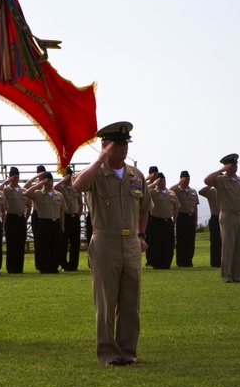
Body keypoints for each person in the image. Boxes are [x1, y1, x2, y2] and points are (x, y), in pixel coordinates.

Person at [73, 121, 152, 367]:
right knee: (106, 303)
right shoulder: (96, 173)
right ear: (106, 146)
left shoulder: (135, 175)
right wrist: (99, 160)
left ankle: (128, 352)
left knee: (131, 302)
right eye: (117, 144)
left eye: (125, 144)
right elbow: (78, 185)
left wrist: (140, 235)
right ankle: (108, 354)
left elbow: (144, 207)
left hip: (130, 243)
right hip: (105, 241)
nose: (123, 148)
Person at [204, 154, 240, 283]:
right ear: (227, 166)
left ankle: (238, 275)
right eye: (232, 165)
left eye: (236, 164)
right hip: (228, 215)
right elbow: (207, 180)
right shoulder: (220, 180)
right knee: (228, 247)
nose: (234, 167)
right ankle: (227, 276)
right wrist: (221, 170)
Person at [24, 172, 65, 274]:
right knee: (44, 246)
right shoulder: (39, 194)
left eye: (51, 181)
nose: (49, 183)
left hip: (55, 222)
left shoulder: (58, 195)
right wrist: (40, 184)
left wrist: (62, 224)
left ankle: (54, 267)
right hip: (44, 222)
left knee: (56, 246)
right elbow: (27, 193)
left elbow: (62, 211)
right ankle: (44, 267)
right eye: (47, 181)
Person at [0, 167, 29, 274]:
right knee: (11, 244)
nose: (16, 179)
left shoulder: (24, 191)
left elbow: (28, 206)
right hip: (11, 218)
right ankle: (11, 268)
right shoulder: (6, 190)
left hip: (21, 218)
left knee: (20, 244)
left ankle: (19, 268)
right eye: (14, 177)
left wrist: (26, 218)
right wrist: (6, 181)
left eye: (17, 177)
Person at [146, 173, 178, 270]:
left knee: (168, 244)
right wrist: (154, 183)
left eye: (164, 180)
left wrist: (174, 221)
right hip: (156, 220)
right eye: (160, 181)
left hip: (168, 221)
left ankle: (166, 264)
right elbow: (143, 190)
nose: (163, 183)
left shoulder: (171, 193)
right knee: (156, 243)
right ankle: (157, 264)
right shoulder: (152, 192)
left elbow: (176, 208)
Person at [56, 167, 83, 271]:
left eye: (68, 175)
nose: (67, 178)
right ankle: (64, 264)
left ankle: (73, 265)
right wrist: (63, 180)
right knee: (64, 243)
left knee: (75, 243)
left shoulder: (75, 188)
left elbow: (80, 203)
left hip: (74, 217)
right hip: (65, 217)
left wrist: (78, 215)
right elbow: (54, 188)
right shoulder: (60, 188)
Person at [171, 171, 200, 267]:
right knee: (181, 240)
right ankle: (181, 262)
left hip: (190, 216)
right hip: (181, 216)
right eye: (185, 179)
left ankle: (189, 261)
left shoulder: (193, 191)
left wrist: (195, 219)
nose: (187, 181)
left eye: (188, 179)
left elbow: (195, 206)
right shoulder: (177, 190)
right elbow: (169, 190)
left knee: (190, 240)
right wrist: (179, 183)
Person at [198, 184, 221, 268]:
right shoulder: (211, 191)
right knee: (215, 241)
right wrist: (211, 184)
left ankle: (224, 261)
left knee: (225, 241)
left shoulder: (226, 190)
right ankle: (215, 262)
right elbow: (201, 192)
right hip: (215, 217)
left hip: (225, 217)